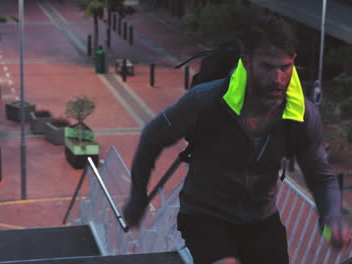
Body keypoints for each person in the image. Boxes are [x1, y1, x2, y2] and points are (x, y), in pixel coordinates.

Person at [123, 15, 349, 264]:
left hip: (261, 219)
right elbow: (152, 137)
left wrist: (332, 218)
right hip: (204, 216)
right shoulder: (205, 100)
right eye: (267, 66)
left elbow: (320, 176)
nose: (277, 79)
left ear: (293, 62)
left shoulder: (302, 115)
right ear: (247, 62)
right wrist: (137, 198)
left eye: (285, 67)